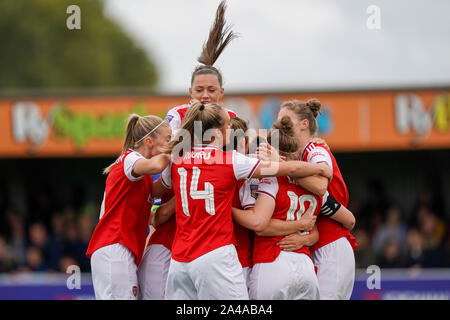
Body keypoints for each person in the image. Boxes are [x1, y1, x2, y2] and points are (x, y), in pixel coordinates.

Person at [159, 101, 332, 300]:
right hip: (215, 254)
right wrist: (321, 169)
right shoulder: (229, 160)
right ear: (217, 131)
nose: (231, 127)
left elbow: (159, 191)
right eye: (227, 124)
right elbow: (289, 169)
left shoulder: (178, 158)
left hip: (179, 262)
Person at [138, 0, 238, 300]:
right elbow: (159, 157)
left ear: (221, 94)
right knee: (154, 286)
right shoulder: (178, 115)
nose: (205, 96)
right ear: (189, 92)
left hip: (214, 223)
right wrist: (161, 198)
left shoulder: (231, 121)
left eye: (211, 91)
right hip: (174, 218)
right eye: (199, 90)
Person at [272, 99, 358, 300]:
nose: (280, 127)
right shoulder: (298, 156)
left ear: (304, 124)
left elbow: (321, 188)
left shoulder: (315, 150)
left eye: (285, 121)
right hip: (319, 246)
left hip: (332, 246)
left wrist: (286, 169)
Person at [232, 116, 321, 300]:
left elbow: (259, 224)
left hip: (271, 260)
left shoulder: (266, 177)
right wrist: (302, 229)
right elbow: (315, 230)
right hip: (305, 266)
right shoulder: (313, 183)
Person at [86, 113, 172, 300]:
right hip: (115, 246)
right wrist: (176, 150)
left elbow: (157, 190)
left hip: (121, 248)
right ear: (149, 141)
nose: (171, 143)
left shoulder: (143, 173)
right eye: (168, 139)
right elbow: (157, 166)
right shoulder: (130, 159)